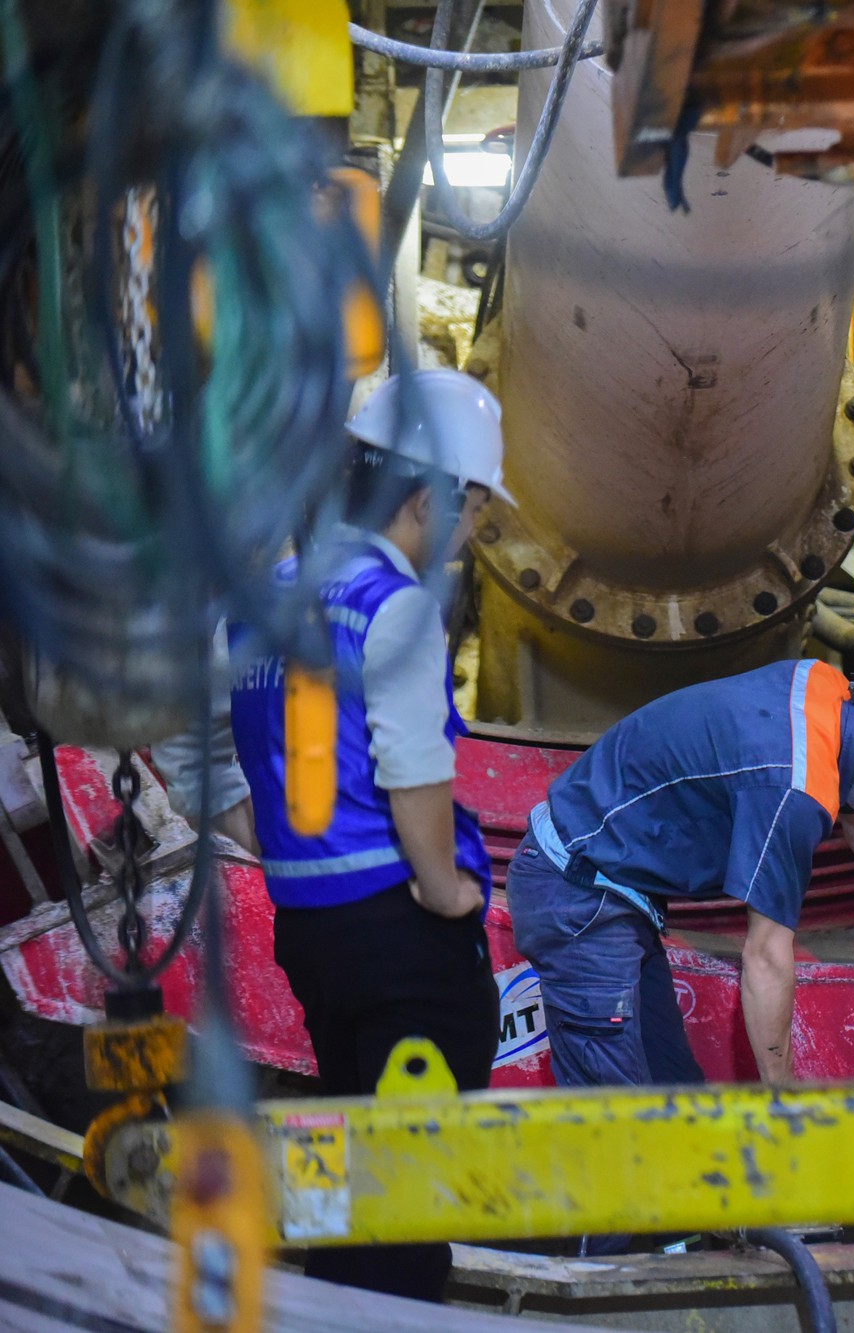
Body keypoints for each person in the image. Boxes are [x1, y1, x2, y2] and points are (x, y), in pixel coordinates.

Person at [154, 369, 510, 1301]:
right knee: (414, 1184)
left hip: (310, 925)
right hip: (402, 934)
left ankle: (329, 1309)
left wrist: (268, 838)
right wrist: (447, 891)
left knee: (347, 1156)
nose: (467, 532)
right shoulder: (394, 606)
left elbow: (200, 742)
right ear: (429, 496)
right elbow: (414, 771)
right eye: (470, 508)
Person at [507, 666, 854, 1096]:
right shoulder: (794, 789)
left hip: (614, 890)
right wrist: (783, 1101)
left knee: (674, 1097)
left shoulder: (827, 690)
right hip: (576, 895)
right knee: (614, 1129)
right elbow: (767, 957)